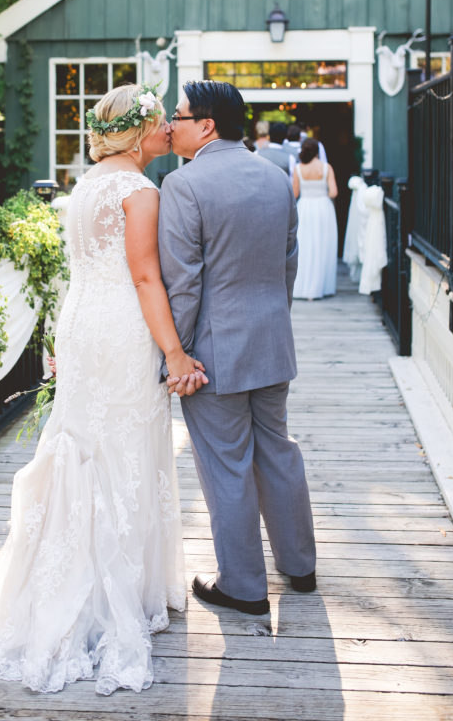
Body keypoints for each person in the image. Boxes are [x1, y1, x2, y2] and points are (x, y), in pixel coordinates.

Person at [0, 83, 205, 695]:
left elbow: (77, 268)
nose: (168, 131)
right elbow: (145, 276)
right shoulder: (140, 191)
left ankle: (68, 577)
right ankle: (115, 594)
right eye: (160, 123)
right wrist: (174, 350)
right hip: (121, 327)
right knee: (123, 448)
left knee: (84, 439)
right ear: (141, 132)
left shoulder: (85, 185)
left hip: (82, 322)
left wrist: (58, 336)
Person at [158, 80, 316, 616]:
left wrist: (174, 356)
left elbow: (184, 283)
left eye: (176, 117)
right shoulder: (275, 178)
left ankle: (245, 587)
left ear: (205, 125)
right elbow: (287, 265)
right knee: (278, 450)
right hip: (272, 341)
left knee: (226, 465)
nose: (168, 125)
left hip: (211, 355)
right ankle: (300, 567)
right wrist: (272, 322)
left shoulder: (184, 185)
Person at [292, 138, 339, 300]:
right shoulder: (326, 168)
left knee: (305, 246)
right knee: (323, 245)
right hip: (323, 208)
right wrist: (321, 195)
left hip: (305, 207)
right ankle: (320, 286)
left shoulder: (298, 169)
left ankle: (303, 287)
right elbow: (333, 192)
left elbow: (295, 193)